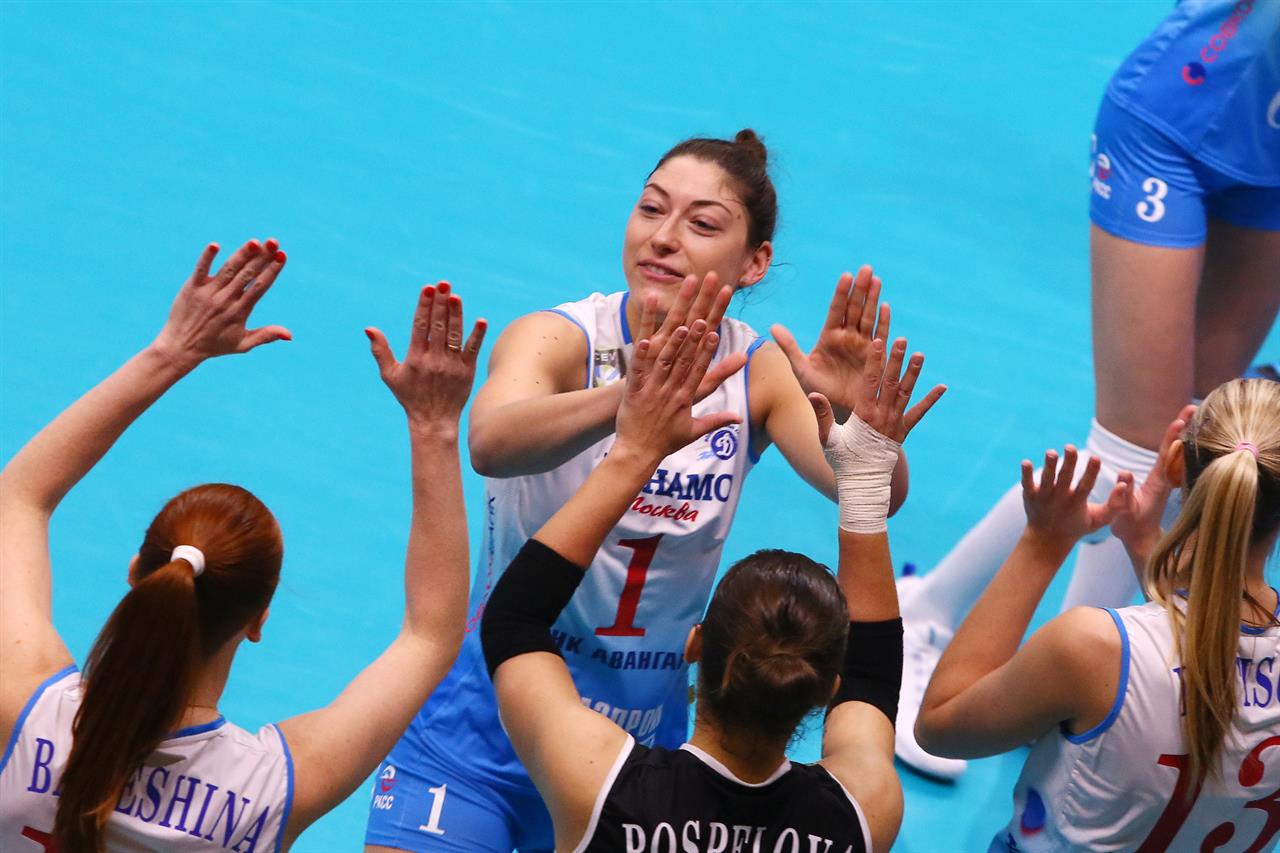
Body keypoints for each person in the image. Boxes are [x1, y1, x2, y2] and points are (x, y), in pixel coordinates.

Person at [365, 130, 912, 852]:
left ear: (755, 263)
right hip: (479, 728)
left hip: (637, 754)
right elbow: (490, 442)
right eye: (651, 209)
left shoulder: (756, 371)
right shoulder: (560, 338)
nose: (663, 237)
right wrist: (630, 405)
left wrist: (849, 416)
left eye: (702, 223)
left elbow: (874, 493)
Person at [895, 0, 1280, 779]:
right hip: (1175, 123)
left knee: (1198, 441)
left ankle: (960, 625)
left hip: (1271, 159)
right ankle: (1040, 696)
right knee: (1140, 449)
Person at [0, 239, 485, 851]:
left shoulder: (26, 707)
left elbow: (18, 499)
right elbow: (431, 635)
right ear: (258, 619)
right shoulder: (273, 789)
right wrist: (434, 425)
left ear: (137, 573)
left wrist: (172, 351)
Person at [483, 310, 944, 852]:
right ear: (827, 688)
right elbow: (873, 678)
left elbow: (513, 620)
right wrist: (864, 487)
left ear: (695, 646)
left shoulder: (601, 785)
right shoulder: (860, 815)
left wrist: (636, 450)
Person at [915, 378, 1280, 851]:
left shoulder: (1089, 649)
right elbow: (1211, 648)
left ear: (1176, 462)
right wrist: (1142, 541)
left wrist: (1042, 545)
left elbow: (940, 727)